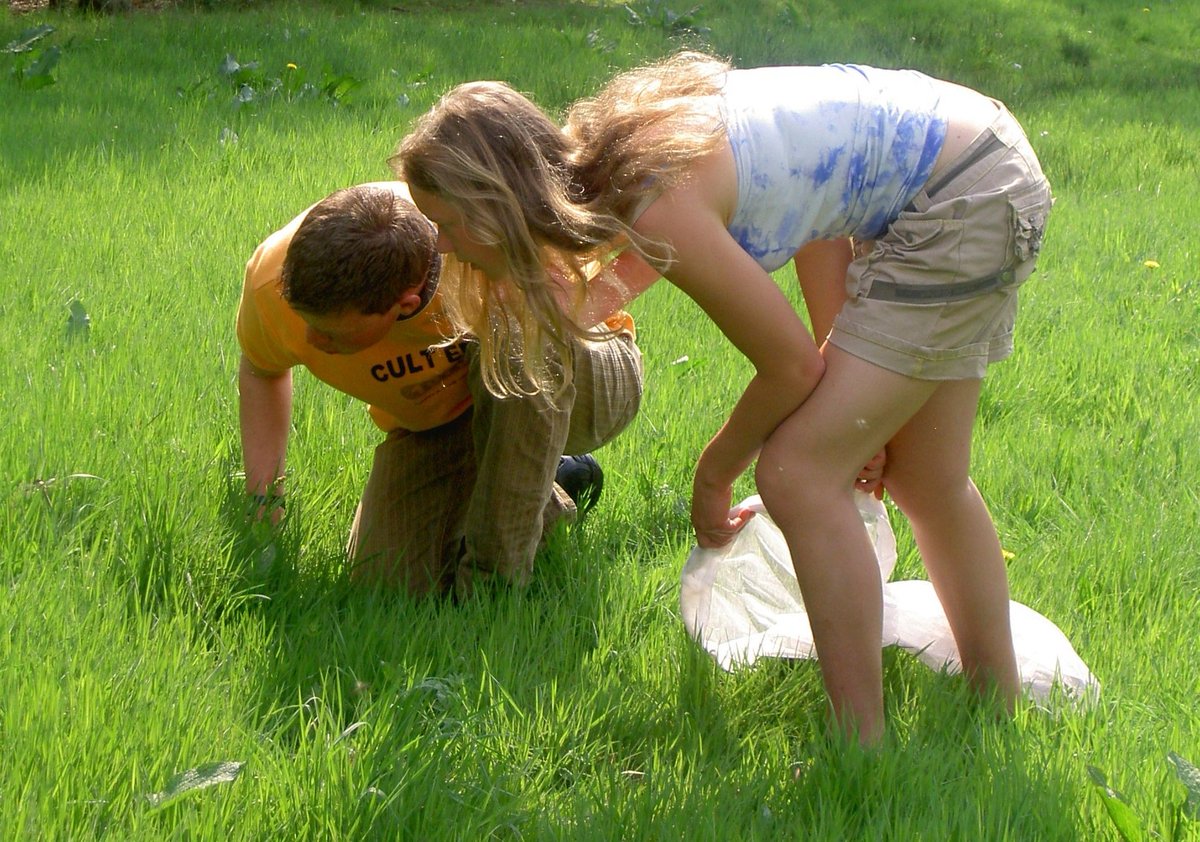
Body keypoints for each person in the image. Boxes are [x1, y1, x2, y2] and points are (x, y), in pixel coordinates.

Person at [391, 53, 1052, 743]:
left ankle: (859, 746)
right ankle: (993, 706)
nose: (440, 245)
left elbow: (791, 367)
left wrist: (714, 475)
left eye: (447, 224)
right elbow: (822, 211)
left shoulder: (658, 205)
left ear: (498, 206)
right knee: (927, 477)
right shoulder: (630, 148)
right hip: (978, 161)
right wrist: (860, 407)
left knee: (796, 473)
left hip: (955, 201)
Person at [236, 182, 643, 598]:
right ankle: (550, 487)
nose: (309, 339)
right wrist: (264, 506)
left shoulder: (473, 237)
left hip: (583, 372)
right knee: (386, 585)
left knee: (514, 334)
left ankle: (492, 590)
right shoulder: (272, 281)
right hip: (439, 424)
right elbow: (262, 371)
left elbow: (647, 220)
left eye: (329, 332)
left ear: (406, 306)